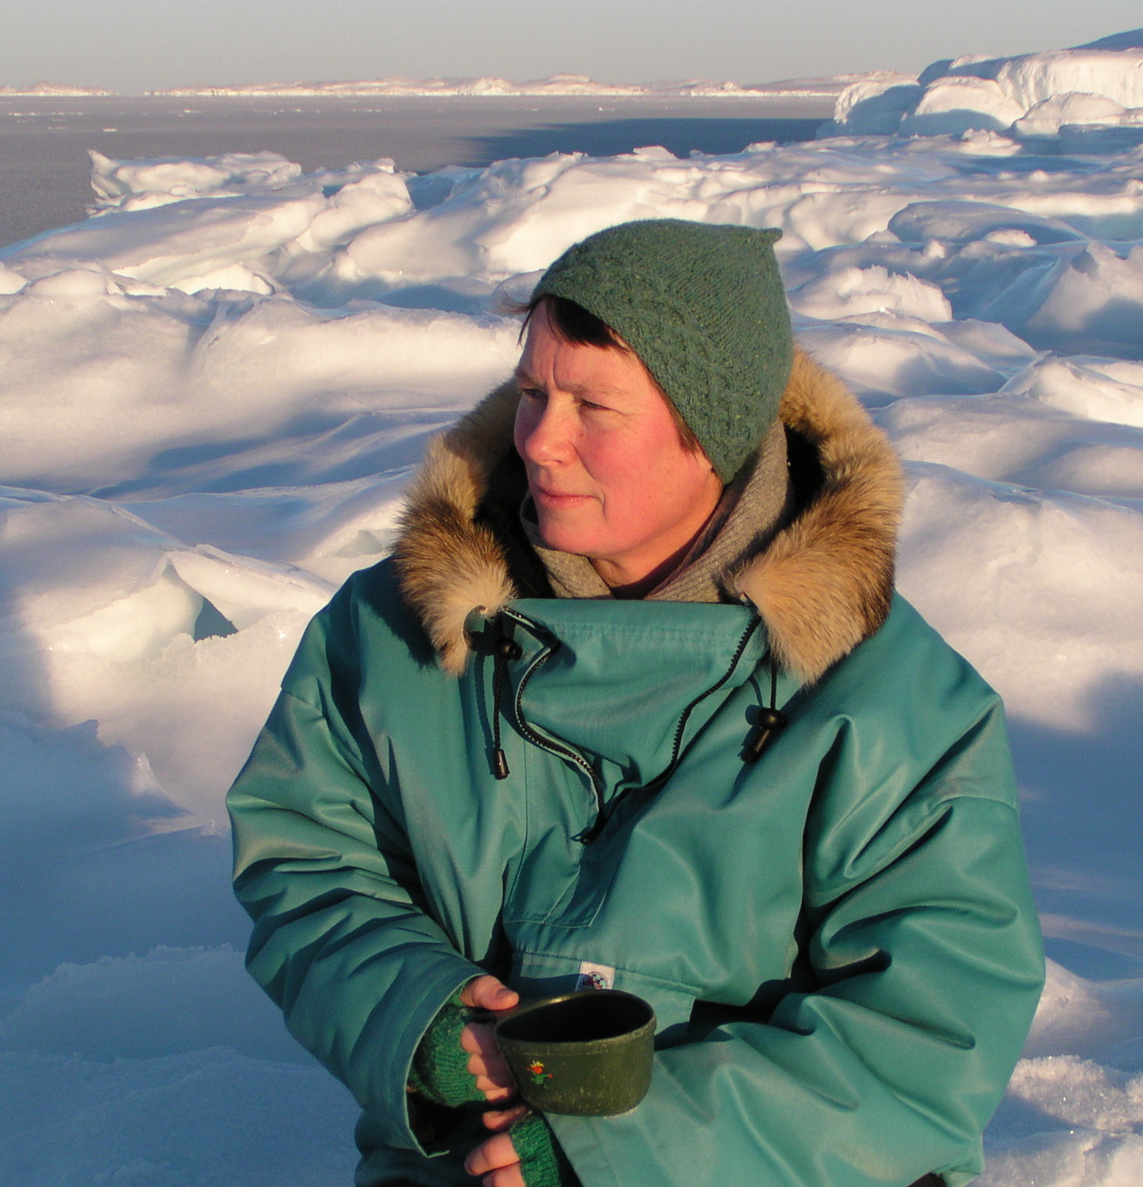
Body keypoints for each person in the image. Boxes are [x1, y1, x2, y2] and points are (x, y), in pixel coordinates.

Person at [227, 219, 1045, 1187]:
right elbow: (306, 860)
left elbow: (927, 1038)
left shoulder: (893, 703)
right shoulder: (392, 635)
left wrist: (612, 1153)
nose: (540, 440)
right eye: (532, 393)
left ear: (713, 435)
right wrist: (416, 1017)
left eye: (593, 407)